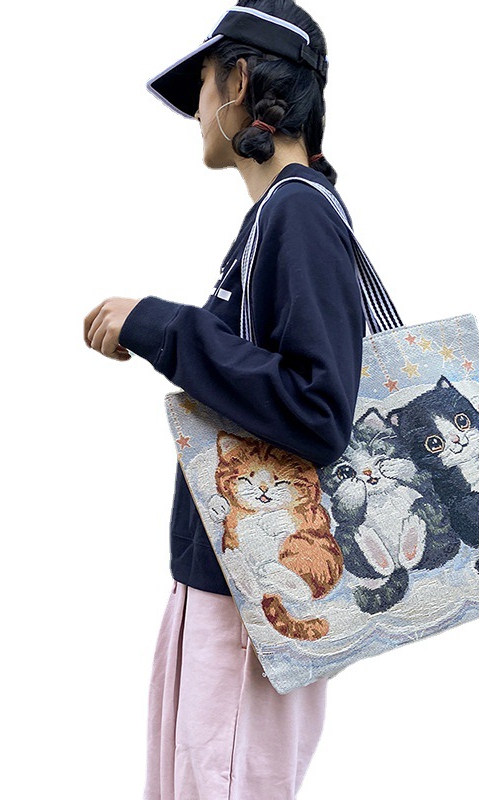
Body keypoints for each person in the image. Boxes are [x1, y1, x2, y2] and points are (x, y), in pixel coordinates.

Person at [84, 2, 365, 797]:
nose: (197, 111)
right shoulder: (280, 215)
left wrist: (161, 325)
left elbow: (319, 411)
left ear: (239, 82)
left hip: (253, 602)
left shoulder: (298, 212)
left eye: (203, 85)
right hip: (228, 585)